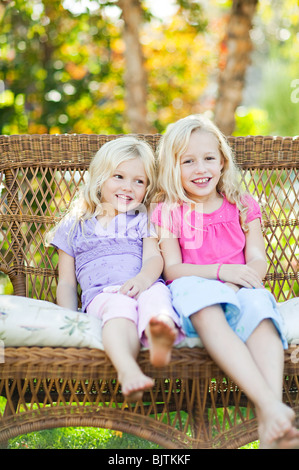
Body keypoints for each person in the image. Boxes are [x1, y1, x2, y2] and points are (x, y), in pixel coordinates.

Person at [151, 114, 299, 449]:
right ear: (172, 168)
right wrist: (221, 273)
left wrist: (242, 280)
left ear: (223, 162)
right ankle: (274, 410)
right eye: (188, 161)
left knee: (260, 308)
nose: (200, 168)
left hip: (240, 287)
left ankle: (269, 424)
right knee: (203, 304)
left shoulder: (242, 205)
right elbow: (172, 269)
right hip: (196, 287)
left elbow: (258, 258)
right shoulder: (169, 210)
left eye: (208, 158)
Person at [47, 136, 182, 402]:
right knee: (120, 311)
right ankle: (129, 371)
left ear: (147, 188)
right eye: (118, 176)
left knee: (157, 296)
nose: (128, 187)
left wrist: (143, 280)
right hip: (103, 294)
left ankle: (160, 335)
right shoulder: (74, 225)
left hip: (142, 284)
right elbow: (65, 282)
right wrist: (69, 318)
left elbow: (155, 258)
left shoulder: (143, 219)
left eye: (139, 181)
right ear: (99, 178)